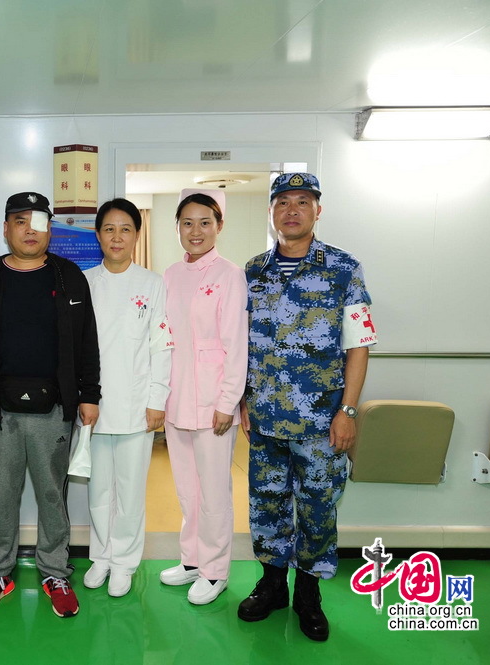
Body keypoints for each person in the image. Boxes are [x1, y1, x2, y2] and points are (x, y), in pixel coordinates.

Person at [238, 173, 376, 641]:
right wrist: (245, 400)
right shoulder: (253, 271)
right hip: (265, 418)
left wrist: (348, 411)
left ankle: (309, 595)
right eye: (283, 202)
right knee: (267, 504)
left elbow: (359, 345)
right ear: (272, 212)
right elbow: (242, 344)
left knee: (318, 509)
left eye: (302, 201)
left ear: (318, 210)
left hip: (321, 421)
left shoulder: (343, 268)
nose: (292, 210)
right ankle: (272, 585)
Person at [0, 191, 100, 618]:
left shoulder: (68, 275)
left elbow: (87, 340)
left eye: (37, 221)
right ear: (6, 229)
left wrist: (89, 395)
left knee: (51, 494)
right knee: (2, 495)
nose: (29, 230)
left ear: (49, 230)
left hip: (54, 409)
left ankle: (55, 571)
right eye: (19, 221)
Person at [158, 193, 247, 605]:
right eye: (187, 223)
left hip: (213, 403)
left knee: (213, 493)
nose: (196, 231)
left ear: (219, 226)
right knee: (187, 489)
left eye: (205, 222)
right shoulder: (170, 275)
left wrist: (228, 402)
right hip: (176, 398)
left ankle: (215, 571)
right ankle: (192, 560)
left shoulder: (230, 275)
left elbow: (236, 343)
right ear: (177, 227)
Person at [81, 198, 172, 598]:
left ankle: (124, 563)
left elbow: (162, 345)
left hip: (137, 403)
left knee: (131, 492)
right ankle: (101, 557)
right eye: (109, 229)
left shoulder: (152, 284)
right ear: (98, 235)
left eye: (125, 229)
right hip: (93, 405)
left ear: (137, 235)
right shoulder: (84, 282)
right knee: (99, 490)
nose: (117, 237)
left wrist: (157, 399)